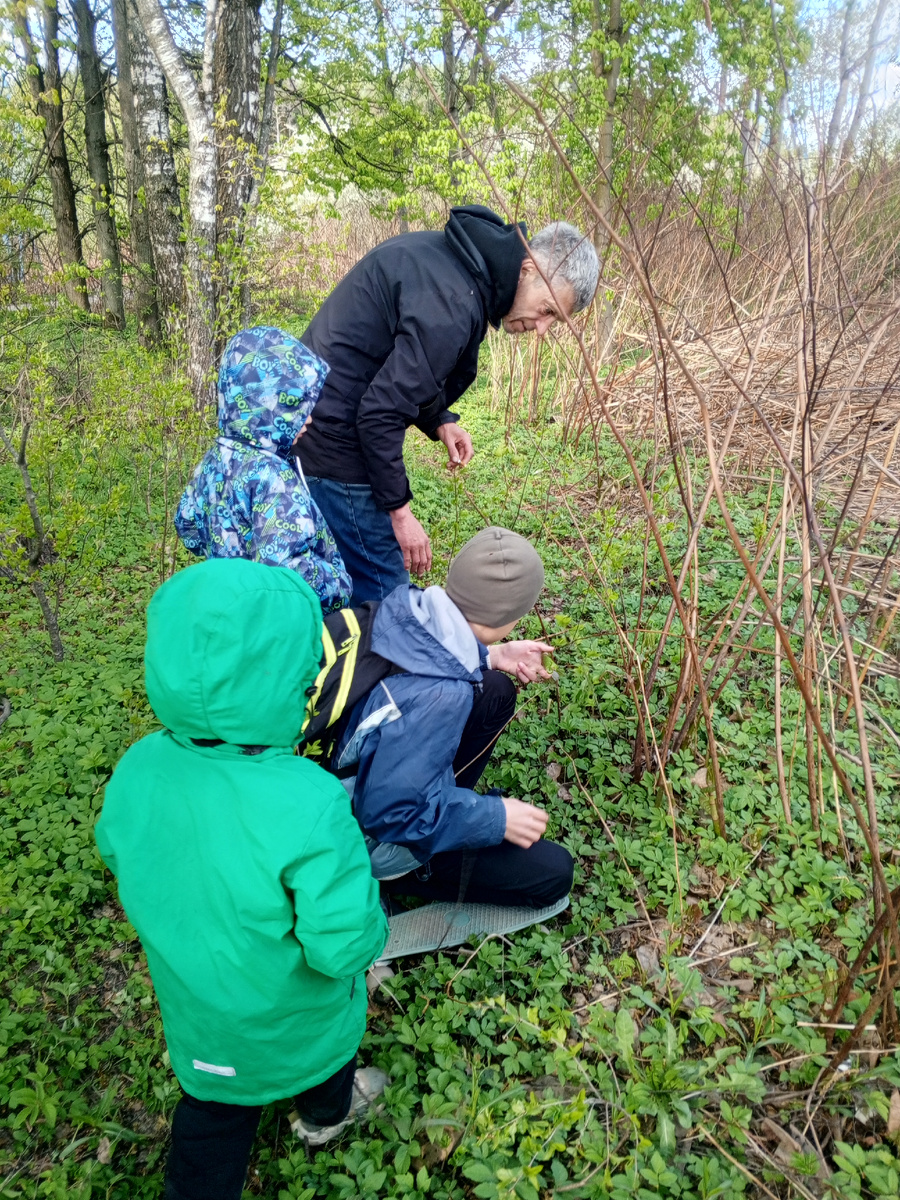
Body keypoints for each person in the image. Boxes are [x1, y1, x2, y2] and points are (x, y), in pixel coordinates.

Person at [94, 558, 389, 1200]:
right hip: (299, 1016)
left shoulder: (137, 767)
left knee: (211, 1119)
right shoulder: (309, 799)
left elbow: (116, 850)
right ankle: (324, 1118)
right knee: (327, 1058)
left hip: (198, 1014)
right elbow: (341, 942)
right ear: (291, 678)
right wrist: (369, 949)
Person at [297, 207, 600, 602]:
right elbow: (379, 412)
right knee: (389, 601)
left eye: (553, 321)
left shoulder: (455, 267)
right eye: (546, 311)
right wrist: (400, 514)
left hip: (312, 424)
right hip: (332, 444)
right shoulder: (454, 302)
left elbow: (395, 361)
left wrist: (439, 419)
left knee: (335, 585)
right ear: (528, 269)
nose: (541, 329)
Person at [331, 526, 574, 908]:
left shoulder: (406, 603)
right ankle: (396, 877)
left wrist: (491, 655)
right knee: (554, 873)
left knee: (494, 689)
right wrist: (495, 817)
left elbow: (423, 660)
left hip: (346, 769)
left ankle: (446, 804)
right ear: (509, 616)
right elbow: (388, 814)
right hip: (367, 833)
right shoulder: (441, 696)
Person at [175, 325, 352, 614]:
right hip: (276, 626)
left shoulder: (218, 456)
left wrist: (229, 552)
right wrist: (338, 584)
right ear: (265, 406)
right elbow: (286, 576)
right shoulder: (273, 478)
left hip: (230, 607)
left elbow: (187, 523)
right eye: (292, 405)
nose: (307, 420)